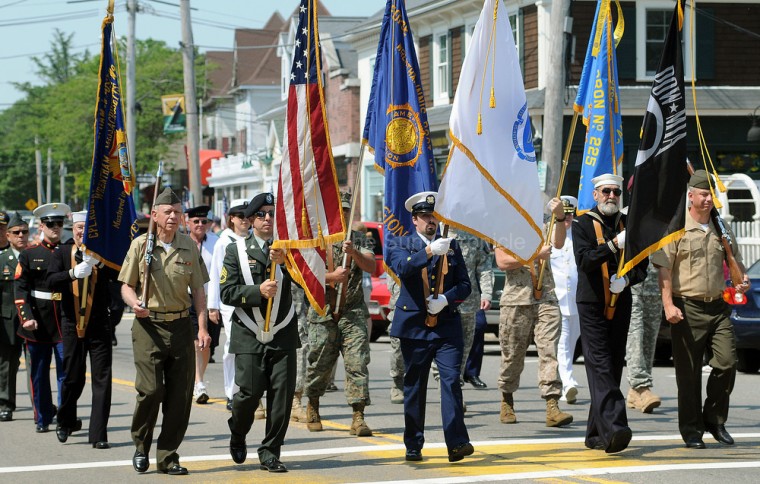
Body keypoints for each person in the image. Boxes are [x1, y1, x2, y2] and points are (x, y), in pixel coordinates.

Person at [651, 169, 748, 449]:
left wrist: (741, 282)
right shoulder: (676, 227)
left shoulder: (722, 228)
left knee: (727, 362)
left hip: (718, 307)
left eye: (711, 194)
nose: (708, 199)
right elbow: (664, 269)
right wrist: (668, 304)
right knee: (689, 373)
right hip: (687, 306)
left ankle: (715, 419)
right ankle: (692, 430)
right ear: (690, 196)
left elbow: (735, 264)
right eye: (703, 194)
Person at [119, 187, 210, 475]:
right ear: (155, 215)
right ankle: (141, 445)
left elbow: (198, 290)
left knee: (180, 396)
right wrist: (134, 304)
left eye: (177, 212)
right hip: (149, 326)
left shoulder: (188, 246)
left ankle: (168, 456)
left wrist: (202, 327)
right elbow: (125, 286)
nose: (173, 216)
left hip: (181, 325)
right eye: (167, 212)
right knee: (150, 390)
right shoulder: (140, 246)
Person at [385, 191, 473, 463]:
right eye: (425, 217)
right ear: (415, 220)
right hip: (414, 327)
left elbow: (465, 285)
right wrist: (427, 251)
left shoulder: (452, 246)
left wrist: (447, 299)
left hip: (446, 326)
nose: (431, 221)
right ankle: (413, 443)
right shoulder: (401, 243)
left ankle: (457, 443)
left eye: (434, 216)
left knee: (451, 382)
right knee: (414, 385)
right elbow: (401, 267)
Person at [221, 192, 299, 473]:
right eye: (262, 214)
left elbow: (306, 282)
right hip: (249, 333)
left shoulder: (289, 250)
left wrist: (288, 262)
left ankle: (270, 451)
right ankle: (238, 431)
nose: (268, 219)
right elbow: (226, 292)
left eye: (272, 214)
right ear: (251, 220)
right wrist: (257, 291)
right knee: (249, 394)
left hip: (283, 332)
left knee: (282, 397)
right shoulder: (236, 251)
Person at [573, 173, 648, 454]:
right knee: (600, 363)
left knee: (615, 363)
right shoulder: (582, 223)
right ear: (595, 195)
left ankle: (595, 433)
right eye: (606, 191)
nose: (612, 196)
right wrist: (614, 245)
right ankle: (616, 426)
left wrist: (628, 279)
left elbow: (643, 264)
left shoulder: (629, 223)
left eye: (616, 192)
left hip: (621, 300)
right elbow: (585, 261)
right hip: (592, 302)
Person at [495, 198, 573, 428]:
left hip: (546, 297)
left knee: (549, 350)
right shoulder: (505, 229)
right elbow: (502, 262)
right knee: (512, 355)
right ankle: (507, 399)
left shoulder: (545, 227)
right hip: (516, 301)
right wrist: (534, 256)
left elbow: (558, 243)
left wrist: (559, 216)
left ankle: (552, 405)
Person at [304, 192, 375, 437]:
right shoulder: (315, 240)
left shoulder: (359, 239)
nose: (342, 214)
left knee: (357, 362)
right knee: (320, 362)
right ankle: (312, 403)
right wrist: (330, 278)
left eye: (346, 210)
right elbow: (304, 276)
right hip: (322, 309)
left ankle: (358, 416)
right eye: (338, 210)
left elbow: (372, 267)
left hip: (352, 310)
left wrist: (354, 252)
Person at [47, 210, 115, 449]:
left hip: (98, 324)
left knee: (102, 378)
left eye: (87, 228)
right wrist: (71, 273)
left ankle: (98, 434)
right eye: (78, 228)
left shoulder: (103, 254)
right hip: (71, 323)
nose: (82, 232)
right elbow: (50, 280)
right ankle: (64, 421)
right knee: (73, 377)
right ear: (72, 229)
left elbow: (120, 278)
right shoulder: (62, 252)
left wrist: (102, 266)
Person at [15, 202, 71, 432]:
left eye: (59, 223)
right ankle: (43, 417)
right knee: (39, 374)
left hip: (64, 318)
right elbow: (21, 289)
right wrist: (25, 316)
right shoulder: (30, 254)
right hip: (38, 321)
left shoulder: (70, 251)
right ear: (41, 226)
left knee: (66, 374)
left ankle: (65, 418)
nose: (55, 227)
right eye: (50, 224)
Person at [207, 199, 249, 411]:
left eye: (248, 216)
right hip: (230, 302)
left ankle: (248, 390)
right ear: (231, 218)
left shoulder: (253, 238)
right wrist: (212, 305)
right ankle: (232, 392)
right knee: (233, 345)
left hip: (252, 299)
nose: (245, 220)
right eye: (241, 216)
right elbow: (215, 274)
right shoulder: (224, 241)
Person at [184, 205, 220, 404]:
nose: (200, 225)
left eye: (203, 221)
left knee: (207, 344)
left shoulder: (217, 243)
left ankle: (198, 377)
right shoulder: (181, 242)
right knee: (196, 342)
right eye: (195, 221)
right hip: (186, 299)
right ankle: (198, 383)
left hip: (210, 299)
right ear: (187, 222)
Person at [550, 195, 581, 404]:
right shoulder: (551, 234)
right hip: (556, 297)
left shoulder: (581, 234)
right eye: (564, 214)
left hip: (578, 298)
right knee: (563, 342)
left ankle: (562, 380)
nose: (567, 218)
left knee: (573, 340)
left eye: (570, 214)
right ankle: (568, 382)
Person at [625, 262, 663, 413]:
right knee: (635, 334)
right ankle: (641, 386)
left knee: (649, 338)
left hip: (655, 285)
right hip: (630, 284)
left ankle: (635, 393)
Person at [0, 212, 26, 422]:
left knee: (36, 364)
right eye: (16, 233)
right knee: (8, 363)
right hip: (8, 320)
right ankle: (5, 404)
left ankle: (41, 406)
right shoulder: (2, 260)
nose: (21, 236)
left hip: (33, 320)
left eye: (24, 232)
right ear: (8, 236)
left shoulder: (36, 256)